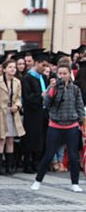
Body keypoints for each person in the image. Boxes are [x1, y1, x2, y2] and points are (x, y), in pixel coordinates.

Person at [32, 59, 85, 192]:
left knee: (73, 156)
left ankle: (75, 183)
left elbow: (79, 107)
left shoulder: (75, 89)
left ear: (69, 74)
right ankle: (38, 180)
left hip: (71, 126)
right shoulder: (53, 88)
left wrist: (81, 123)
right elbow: (46, 104)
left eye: (64, 73)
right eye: (59, 73)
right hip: (55, 125)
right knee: (49, 154)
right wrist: (53, 89)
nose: (62, 76)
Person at [0, 58, 24, 175]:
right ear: (4, 69)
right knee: (2, 139)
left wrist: (17, 105)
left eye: (14, 67)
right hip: (1, 112)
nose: (13, 69)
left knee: (11, 139)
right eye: (10, 67)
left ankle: (9, 166)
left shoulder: (17, 82)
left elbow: (19, 97)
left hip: (13, 112)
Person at [22, 52, 48, 174]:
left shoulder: (43, 78)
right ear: (36, 63)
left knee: (39, 139)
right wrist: (40, 96)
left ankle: (36, 163)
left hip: (41, 113)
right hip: (31, 113)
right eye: (43, 65)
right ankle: (27, 164)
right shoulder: (28, 78)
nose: (45, 68)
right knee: (30, 139)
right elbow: (27, 97)